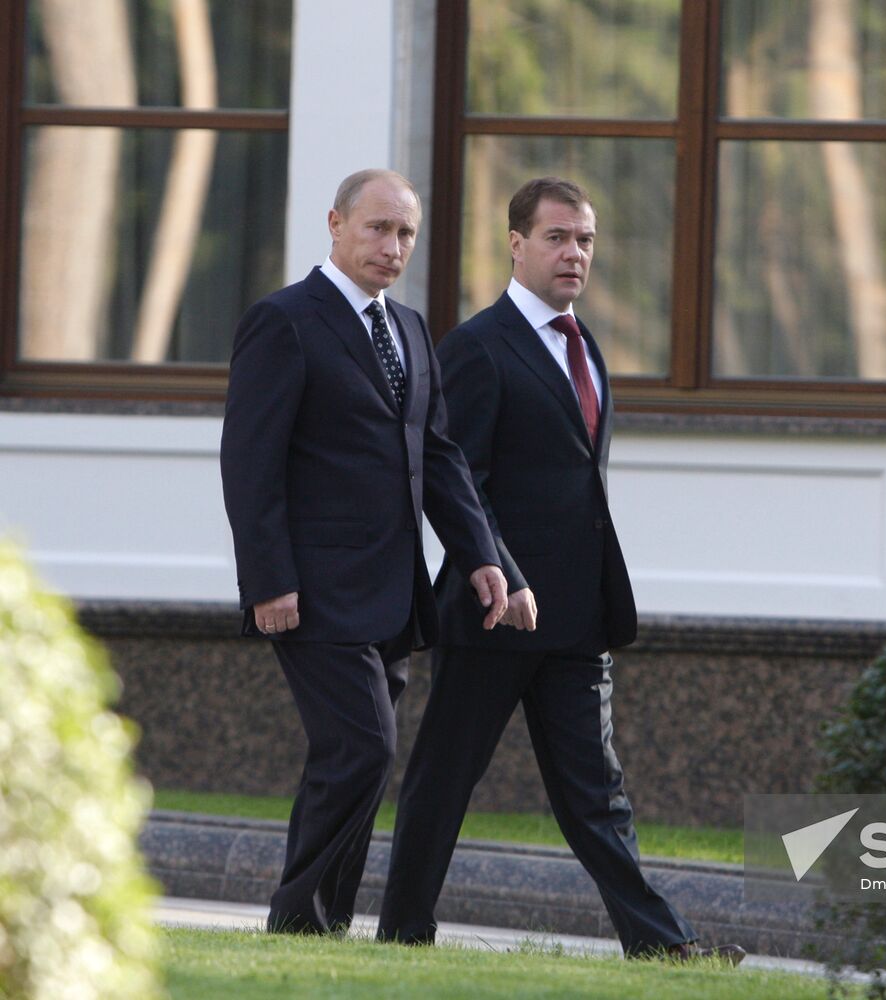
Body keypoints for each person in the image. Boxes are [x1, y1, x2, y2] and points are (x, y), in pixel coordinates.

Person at [377, 177, 742, 963]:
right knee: (443, 783)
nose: (573, 253)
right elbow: (457, 479)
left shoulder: (587, 344)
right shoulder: (477, 346)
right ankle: (402, 932)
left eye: (584, 240)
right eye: (556, 238)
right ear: (516, 244)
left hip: (577, 621)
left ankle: (661, 944)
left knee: (596, 797)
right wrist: (498, 571)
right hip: (492, 613)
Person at [220, 168, 509, 935]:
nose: (392, 246)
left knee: (356, 760)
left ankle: (326, 922)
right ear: (336, 224)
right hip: (312, 590)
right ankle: (300, 917)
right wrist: (268, 581)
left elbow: (437, 454)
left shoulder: (412, 329)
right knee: (362, 748)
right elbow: (250, 463)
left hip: (393, 592)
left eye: (405, 232)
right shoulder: (283, 321)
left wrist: (480, 554)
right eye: (377, 228)